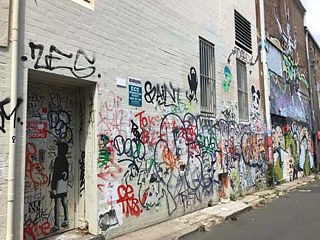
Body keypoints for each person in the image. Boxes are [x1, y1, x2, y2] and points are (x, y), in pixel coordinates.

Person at [50, 142, 69, 232]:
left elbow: (55, 174)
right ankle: (66, 220)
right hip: (63, 184)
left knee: (57, 204)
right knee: (64, 201)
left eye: (59, 148)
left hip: (58, 184)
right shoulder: (65, 159)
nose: (57, 150)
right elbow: (66, 173)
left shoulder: (58, 159)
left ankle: (57, 225)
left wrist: (53, 187)